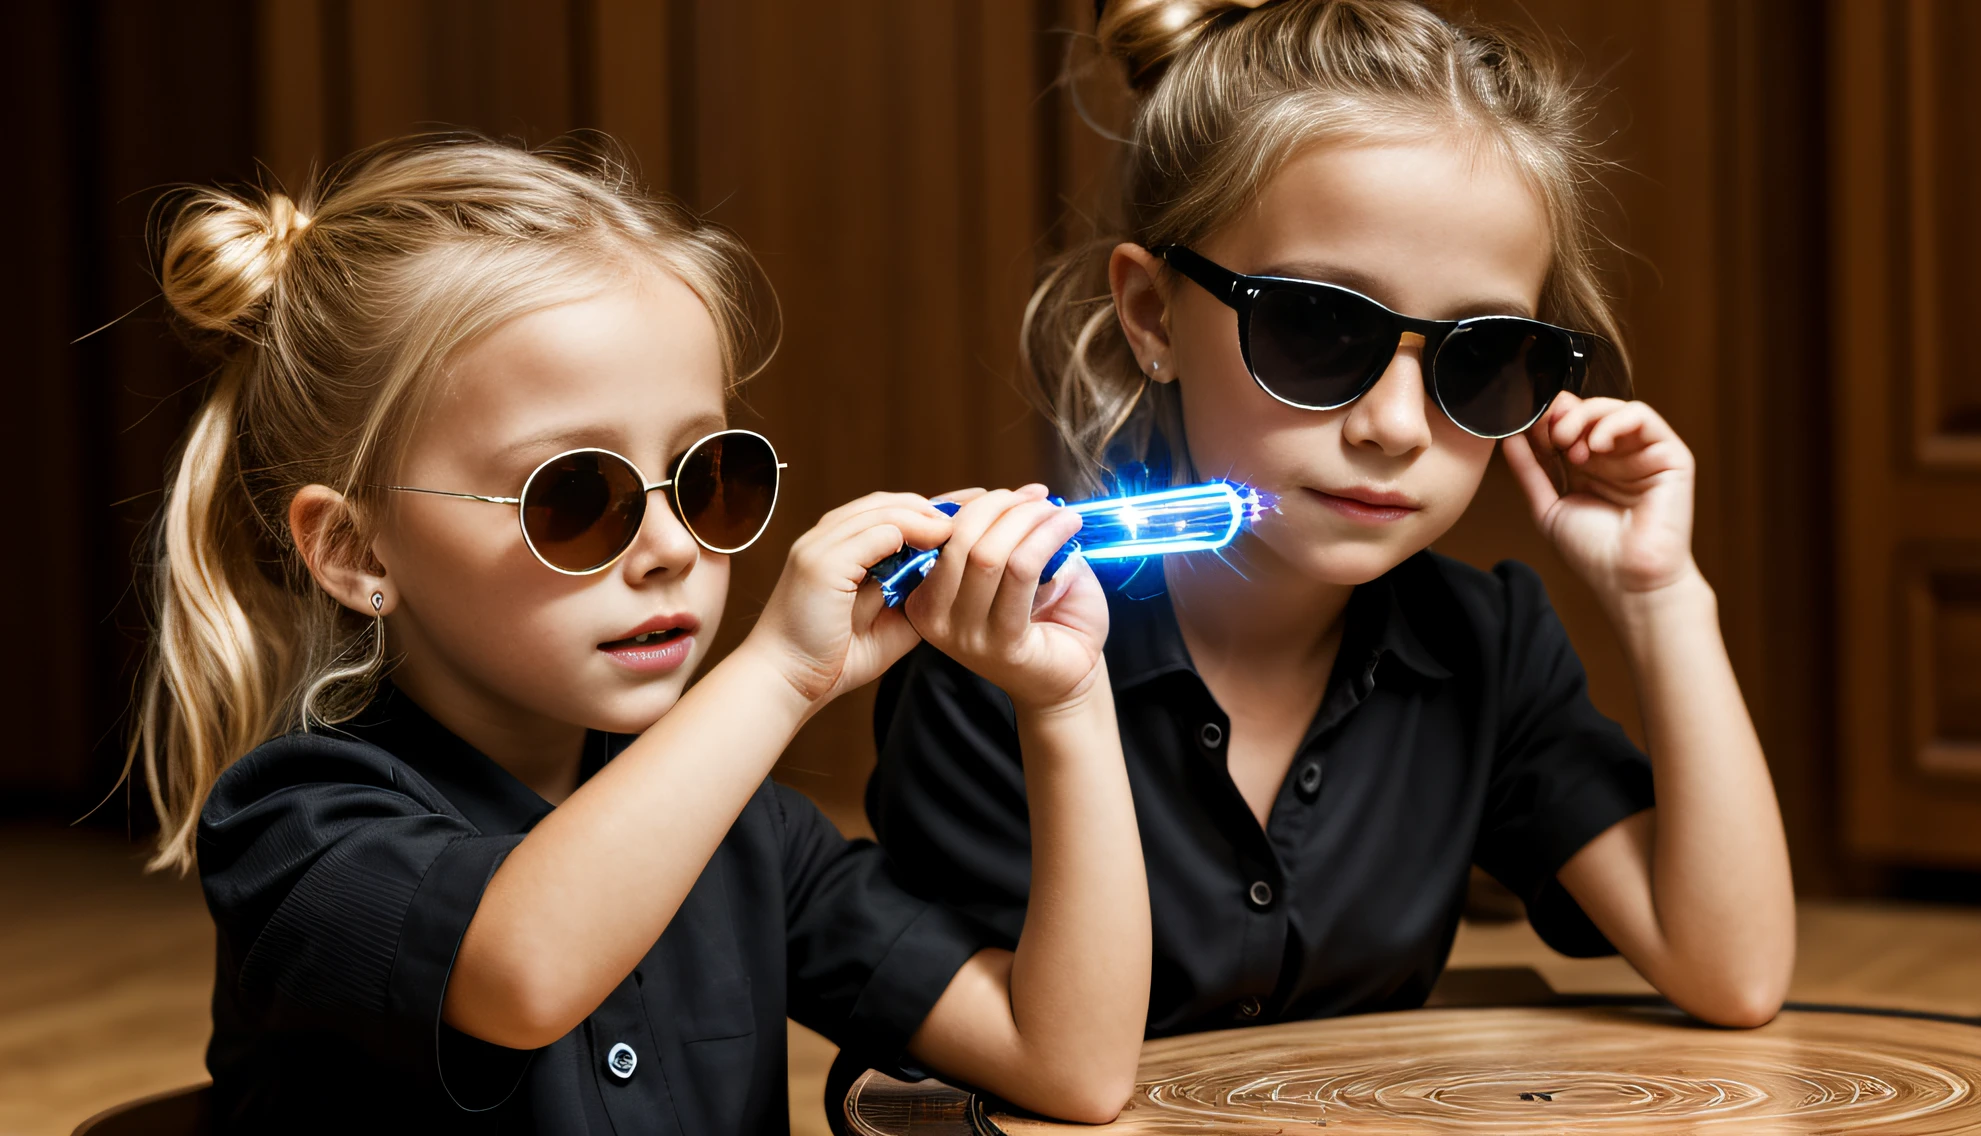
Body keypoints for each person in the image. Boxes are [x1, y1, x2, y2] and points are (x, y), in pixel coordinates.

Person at [130, 133, 1148, 1133]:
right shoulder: (292, 828)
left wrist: (1063, 698)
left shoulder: (748, 833)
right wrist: (780, 670)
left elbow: (1068, 1062)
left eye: (711, 477)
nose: (669, 545)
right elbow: (526, 967)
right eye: (574, 493)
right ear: (358, 550)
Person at [863, 0, 1795, 1051]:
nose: (1394, 427)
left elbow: (1733, 968)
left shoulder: (1481, 645)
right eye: (1316, 327)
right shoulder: (982, 652)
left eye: (1475, 357)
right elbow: (996, 1069)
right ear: (1152, 316)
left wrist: (1659, 595)